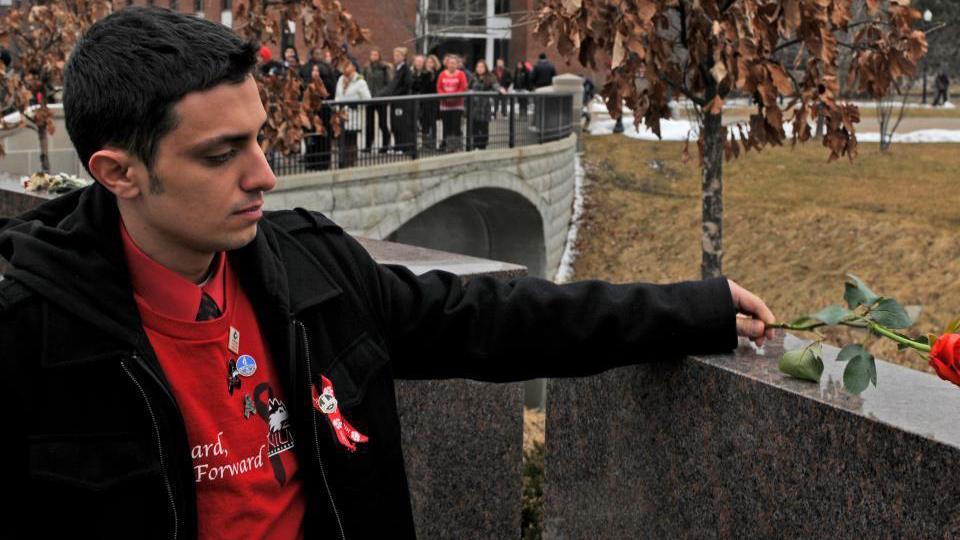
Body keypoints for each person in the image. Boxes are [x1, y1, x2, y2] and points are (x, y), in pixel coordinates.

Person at [0, 7, 776, 538]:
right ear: (117, 172)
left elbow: (495, 319)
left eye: (260, 139)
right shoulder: (30, 333)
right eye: (220, 153)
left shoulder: (312, 267)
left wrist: (691, 310)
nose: (266, 175)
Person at [333, 59, 371, 168]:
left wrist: (355, 105)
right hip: (341, 115)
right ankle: (342, 163)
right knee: (341, 141)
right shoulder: (341, 79)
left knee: (350, 141)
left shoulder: (360, 82)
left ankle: (350, 164)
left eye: (347, 66)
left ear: (353, 67)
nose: (345, 68)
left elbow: (368, 99)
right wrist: (337, 109)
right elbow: (337, 96)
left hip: (353, 116)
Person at [467, 59, 506, 150]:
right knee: (474, 128)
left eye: (482, 67)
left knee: (484, 128)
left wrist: (500, 89)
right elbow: (468, 87)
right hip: (474, 107)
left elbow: (495, 85)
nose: (479, 68)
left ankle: (482, 146)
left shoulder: (490, 77)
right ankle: (475, 145)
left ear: (485, 68)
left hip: (484, 107)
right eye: (478, 67)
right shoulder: (473, 77)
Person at [383, 46, 413, 155]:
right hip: (395, 101)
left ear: (403, 57)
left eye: (398, 55)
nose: (395, 57)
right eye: (395, 55)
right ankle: (397, 145)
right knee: (394, 123)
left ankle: (403, 147)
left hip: (401, 102)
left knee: (400, 124)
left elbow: (407, 84)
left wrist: (397, 93)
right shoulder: (397, 68)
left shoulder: (405, 69)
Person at [362, 48, 392, 154]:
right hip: (369, 98)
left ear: (379, 56)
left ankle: (385, 145)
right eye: (372, 54)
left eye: (375, 55)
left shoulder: (384, 68)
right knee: (369, 124)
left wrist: (381, 94)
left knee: (382, 123)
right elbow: (363, 82)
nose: (373, 56)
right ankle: (368, 146)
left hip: (381, 98)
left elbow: (389, 83)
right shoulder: (366, 67)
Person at [437, 53, 469, 152]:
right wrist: (445, 96)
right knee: (447, 126)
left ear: (457, 64)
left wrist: (453, 97)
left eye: (454, 63)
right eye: (450, 63)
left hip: (457, 105)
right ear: (447, 64)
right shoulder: (442, 74)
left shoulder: (461, 74)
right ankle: (449, 147)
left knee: (456, 125)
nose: (452, 65)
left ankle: (457, 146)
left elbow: (463, 87)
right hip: (445, 105)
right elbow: (439, 87)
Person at [411, 54, 438, 153]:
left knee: (432, 123)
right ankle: (425, 144)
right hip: (423, 102)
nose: (429, 64)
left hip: (432, 102)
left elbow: (432, 87)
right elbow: (419, 86)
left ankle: (432, 144)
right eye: (428, 62)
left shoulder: (436, 74)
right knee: (424, 123)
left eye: (431, 62)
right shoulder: (424, 74)